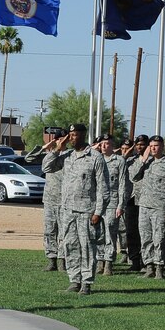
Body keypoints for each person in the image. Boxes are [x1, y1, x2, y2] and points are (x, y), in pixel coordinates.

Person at [42, 124, 110, 294]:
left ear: (83, 135)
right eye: (70, 135)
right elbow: (46, 167)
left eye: (75, 135)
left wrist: (98, 212)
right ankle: (74, 280)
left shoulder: (95, 157)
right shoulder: (67, 156)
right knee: (70, 246)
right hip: (68, 211)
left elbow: (103, 188)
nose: (72, 138)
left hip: (87, 212)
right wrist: (58, 148)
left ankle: (86, 283)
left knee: (87, 247)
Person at [131, 135, 165, 279]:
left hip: (160, 207)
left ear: (162, 147)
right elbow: (133, 177)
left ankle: (159, 268)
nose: (153, 148)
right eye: (151, 146)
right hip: (144, 206)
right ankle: (149, 266)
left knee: (159, 239)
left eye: (156, 146)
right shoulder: (146, 162)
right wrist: (142, 160)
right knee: (146, 238)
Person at [26, 139, 65, 272]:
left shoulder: (70, 155)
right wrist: (44, 147)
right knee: (49, 231)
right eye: (58, 139)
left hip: (65, 200)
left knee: (64, 233)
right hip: (49, 200)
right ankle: (51, 260)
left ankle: (62, 261)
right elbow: (29, 158)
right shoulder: (49, 156)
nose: (60, 141)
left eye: (63, 139)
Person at [96, 133, 126, 276]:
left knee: (110, 232)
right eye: (101, 143)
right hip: (97, 202)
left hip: (112, 201)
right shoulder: (96, 159)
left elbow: (122, 185)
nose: (103, 146)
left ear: (112, 145)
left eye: (107, 143)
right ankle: (100, 261)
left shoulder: (119, 160)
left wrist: (121, 205)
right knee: (99, 233)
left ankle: (108, 263)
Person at [123, 135, 149, 271]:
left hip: (147, 200)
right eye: (137, 144)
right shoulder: (131, 161)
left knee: (145, 233)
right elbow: (132, 175)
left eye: (143, 144)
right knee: (132, 232)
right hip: (132, 199)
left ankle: (147, 261)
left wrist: (145, 160)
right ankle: (135, 261)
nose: (140, 147)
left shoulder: (154, 161)